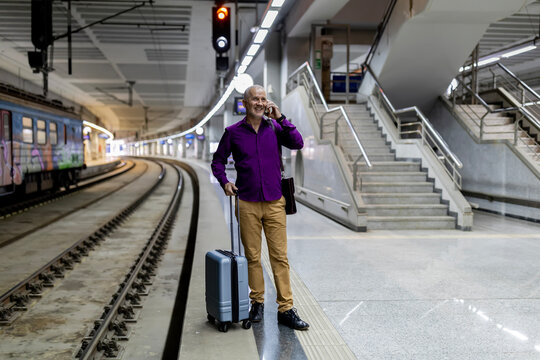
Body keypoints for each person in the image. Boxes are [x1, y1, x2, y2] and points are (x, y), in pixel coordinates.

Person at [211, 85, 309, 330]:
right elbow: (218, 161)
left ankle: (285, 308)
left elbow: (297, 143)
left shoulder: (276, 128)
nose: (260, 102)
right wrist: (224, 182)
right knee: (253, 257)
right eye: (255, 98)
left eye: (263, 99)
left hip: (275, 202)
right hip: (247, 203)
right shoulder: (233, 132)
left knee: (279, 257)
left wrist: (281, 118)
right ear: (245, 103)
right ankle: (257, 303)